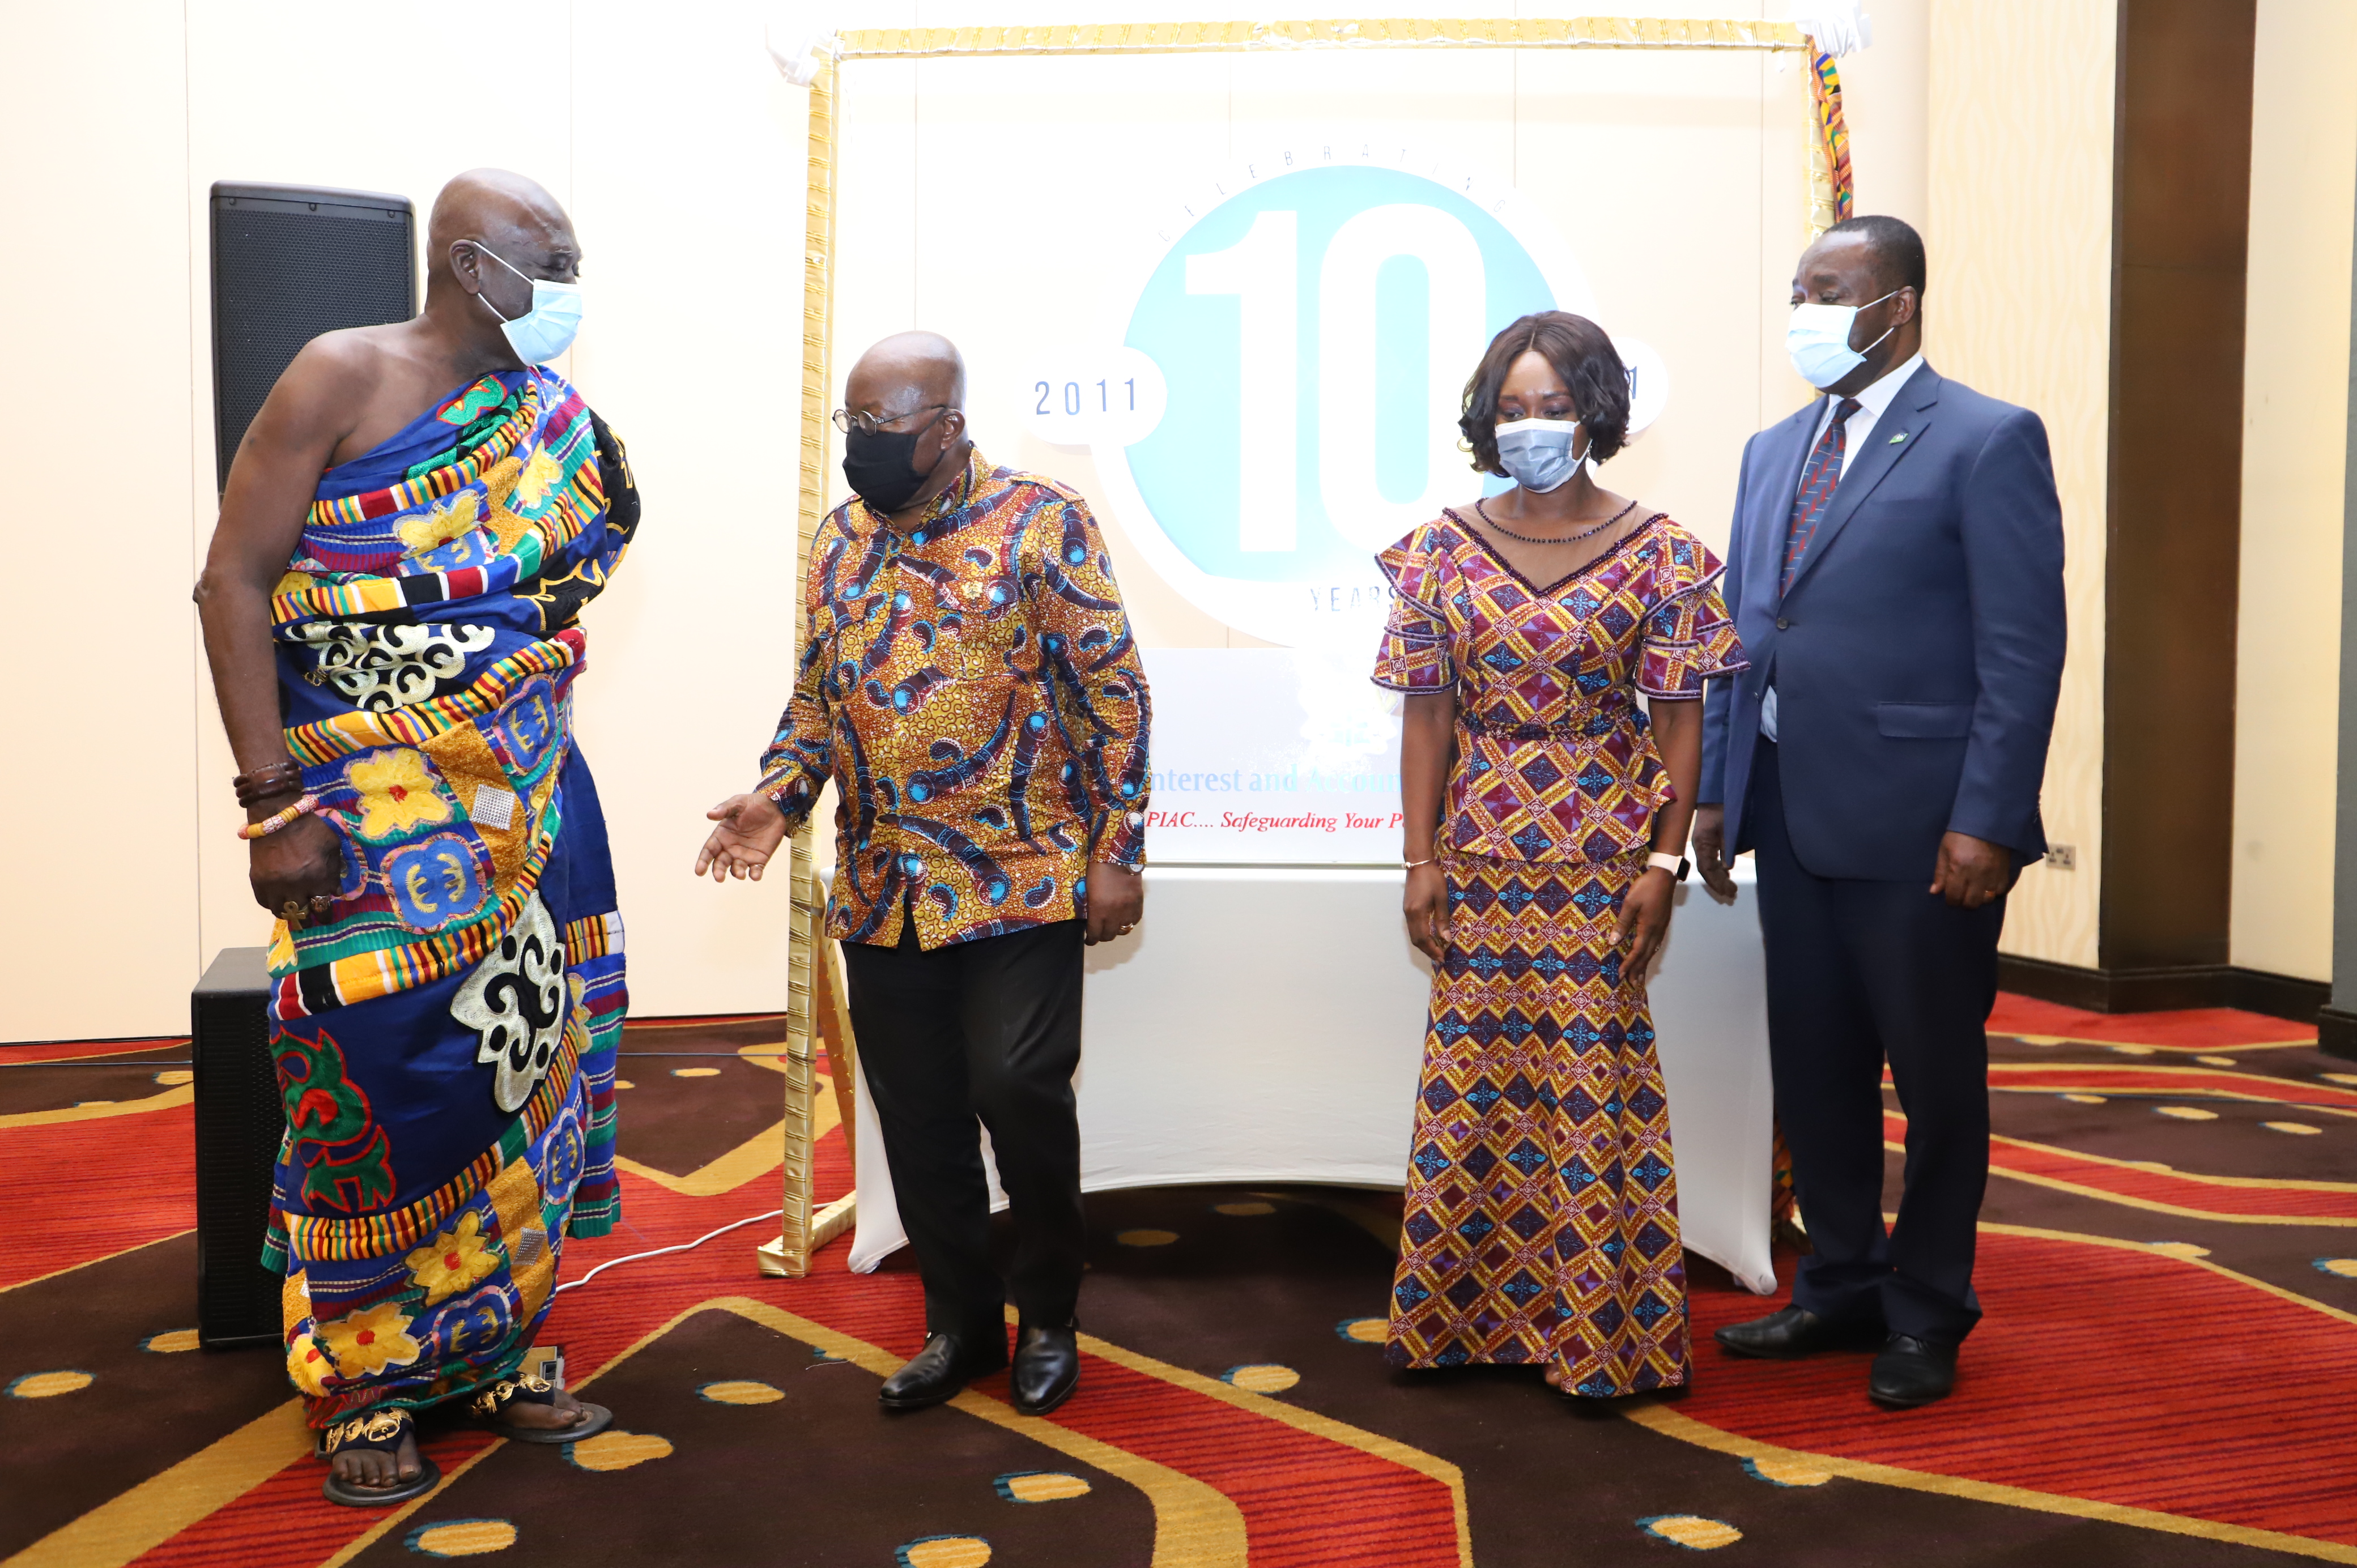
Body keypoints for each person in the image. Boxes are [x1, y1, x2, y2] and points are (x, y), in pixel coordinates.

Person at [194, 169, 635, 1506]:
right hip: (355, 808)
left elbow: (578, 555)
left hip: (530, 798)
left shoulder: (549, 416)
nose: (564, 286)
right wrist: (270, 803)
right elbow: (233, 580)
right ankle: (365, 1379)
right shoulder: (339, 372)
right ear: (466, 262)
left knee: (534, 1063)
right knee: (375, 1079)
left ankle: (494, 1350)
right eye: (545, 261)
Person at [696, 331, 1148, 1418]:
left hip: (1022, 875)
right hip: (885, 885)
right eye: (852, 426)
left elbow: (1114, 694)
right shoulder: (837, 544)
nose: (863, 448)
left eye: (884, 429)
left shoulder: (1044, 520)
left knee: (1017, 1093)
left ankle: (1048, 1314)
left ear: (947, 427)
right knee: (922, 1116)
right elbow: (813, 706)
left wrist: (1118, 850)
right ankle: (962, 1325)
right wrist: (777, 794)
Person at [1695, 215, 2065, 1408]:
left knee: (1937, 1081)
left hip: (1924, 830)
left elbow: (2022, 650)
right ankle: (1841, 1283)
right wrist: (1715, 788)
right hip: (1791, 818)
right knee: (1817, 1069)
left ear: (1896, 305)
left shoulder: (1986, 439)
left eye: (1828, 288)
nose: (1802, 306)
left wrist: (1990, 819)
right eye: (1795, 285)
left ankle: (1927, 1310)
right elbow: (1745, 637)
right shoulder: (1770, 450)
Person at [1377, 312, 1747, 1398]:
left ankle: (1601, 1333)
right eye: (1513, 410)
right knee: (1477, 1082)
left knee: (1595, 1083)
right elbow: (1426, 721)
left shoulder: (1669, 554)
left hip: (1604, 853)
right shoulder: (1436, 551)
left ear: (1597, 413)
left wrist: (1663, 865)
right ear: (1486, 422)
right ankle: (1462, 1323)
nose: (1532, 426)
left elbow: (1681, 721)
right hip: (1481, 851)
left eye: (1554, 407)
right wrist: (1418, 858)